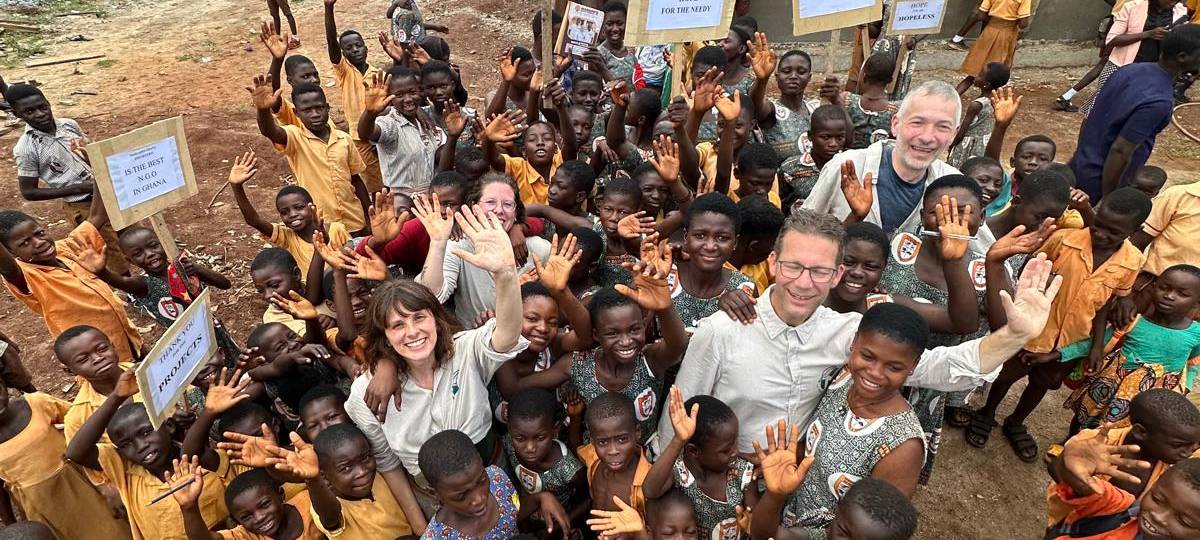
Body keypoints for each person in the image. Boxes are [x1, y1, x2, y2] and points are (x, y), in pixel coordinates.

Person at [661, 209, 1064, 458]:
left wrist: (1014, 335)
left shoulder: (848, 332)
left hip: (797, 482)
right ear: (772, 262)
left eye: (819, 271)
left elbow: (936, 368)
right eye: (793, 267)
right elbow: (678, 419)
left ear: (837, 274)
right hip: (722, 475)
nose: (804, 283)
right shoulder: (721, 330)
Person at [969, 188, 1152, 462]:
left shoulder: (1133, 261)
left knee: (1043, 382)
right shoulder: (1064, 240)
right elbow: (1028, 273)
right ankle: (987, 412)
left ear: (1134, 230)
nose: (1100, 233)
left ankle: (1016, 421)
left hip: (1070, 340)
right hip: (1033, 328)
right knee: (1007, 374)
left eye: (1112, 232)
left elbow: (1106, 304)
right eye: (1098, 223)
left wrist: (1096, 345)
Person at [749, 303, 928, 539]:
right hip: (784, 509)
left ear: (912, 366)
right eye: (867, 356)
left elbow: (876, 529)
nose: (874, 372)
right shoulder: (843, 378)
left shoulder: (902, 447)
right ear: (854, 343)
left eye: (894, 367)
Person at [65, 370, 233, 540]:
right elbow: (76, 453)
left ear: (169, 426)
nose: (140, 446)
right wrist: (116, 397)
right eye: (126, 444)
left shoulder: (201, 461)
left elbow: (192, 449)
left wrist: (208, 413)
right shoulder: (124, 470)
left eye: (146, 432)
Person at [0, 187, 142, 363]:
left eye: (39, 233)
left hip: (126, 336)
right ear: (11, 253)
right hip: (97, 357)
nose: (39, 242)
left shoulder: (66, 248)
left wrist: (99, 168)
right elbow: (6, 267)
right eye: (25, 243)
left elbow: (97, 216)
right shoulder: (25, 276)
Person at [801, 81, 961, 235]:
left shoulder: (956, 187)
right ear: (895, 124)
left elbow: (980, 253)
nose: (927, 137)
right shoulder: (847, 168)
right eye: (917, 123)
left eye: (942, 127)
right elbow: (801, 234)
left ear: (954, 134)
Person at [5, 83, 128, 275]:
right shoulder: (26, 148)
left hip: (109, 193)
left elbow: (89, 152)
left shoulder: (69, 125)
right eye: (29, 111)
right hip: (83, 205)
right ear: (17, 114)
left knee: (130, 234)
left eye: (42, 107)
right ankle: (130, 291)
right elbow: (28, 192)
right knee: (108, 249)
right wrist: (78, 188)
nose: (39, 114)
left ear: (48, 103)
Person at [1069, 24, 1200, 201]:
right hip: (1098, 183)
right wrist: (1109, 199)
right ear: (1182, 57)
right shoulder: (1159, 100)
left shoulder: (1129, 71)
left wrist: (1081, 156)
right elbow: (1121, 151)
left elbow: (1088, 120)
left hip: (1079, 165)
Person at [1063, 265, 1200, 430]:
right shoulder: (1133, 321)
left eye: (1182, 294)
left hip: (1155, 396)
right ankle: (1069, 444)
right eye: (1164, 288)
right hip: (1110, 386)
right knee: (1085, 419)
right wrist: (1058, 354)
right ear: (1154, 287)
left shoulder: (1196, 333)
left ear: (1197, 302)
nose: (1169, 296)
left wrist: (1186, 387)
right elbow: (1095, 344)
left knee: (1129, 431)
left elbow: (1193, 362)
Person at [0, 373, 131, 540]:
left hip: (81, 483)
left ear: (4, 384)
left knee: (114, 532)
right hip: (39, 505)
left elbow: (83, 425)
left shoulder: (37, 403)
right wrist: (11, 525)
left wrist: (107, 484)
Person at [1047, 389, 1200, 527]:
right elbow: (1055, 467)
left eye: (1194, 445)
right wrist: (1076, 480)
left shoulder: (1169, 465)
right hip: (1072, 522)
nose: (1188, 452)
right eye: (1179, 445)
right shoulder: (1095, 443)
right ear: (1141, 432)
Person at [416, 176, 551, 326]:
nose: (499, 210)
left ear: (516, 212)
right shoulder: (459, 247)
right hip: (474, 342)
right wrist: (438, 242)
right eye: (490, 202)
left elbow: (553, 307)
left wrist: (526, 293)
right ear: (474, 207)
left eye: (507, 204)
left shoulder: (539, 249)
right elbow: (432, 295)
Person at [249, 75, 371, 234]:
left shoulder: (344, 139)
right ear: (296, 113)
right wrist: (263, 110)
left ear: (327, 108)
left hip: (355, 220)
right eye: (307, 110)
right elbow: (269, 131)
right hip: (323, 225)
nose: (315, 114)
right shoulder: (294, 137)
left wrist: (370, 216)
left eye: (319, 108)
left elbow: (356, 180)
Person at [1045, 427, 1200, 540]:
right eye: (1157, 499)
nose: (1159, 517)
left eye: (1184, 520)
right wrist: (1070, 463)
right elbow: (1084, 488)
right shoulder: (1123, 509)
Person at [643, 387, 757, 540]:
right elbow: (650, 490)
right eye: (725, 450)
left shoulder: (743, 473)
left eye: (735, 443)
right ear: (693, 451)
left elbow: (758, 525)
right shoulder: (679, 472)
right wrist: (678, 440)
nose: (735, 452)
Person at [265, 423, 415, 539]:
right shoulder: (327, 506)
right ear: (324, 476)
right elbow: (330, 518)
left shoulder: (378, 476)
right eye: (346, 468)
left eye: (365, 458)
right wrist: (313, 480)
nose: (362, 472)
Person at [418, 429, 570, 538]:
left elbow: (511, 511)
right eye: (462, 496)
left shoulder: (496, 478)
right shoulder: (436, 537)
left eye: (481, 481)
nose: (479, 499)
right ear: (434, 494)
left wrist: (541, 498)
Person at [228, 150, 352, 282]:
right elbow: (254, 221)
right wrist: (236, 187)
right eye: (284, 212)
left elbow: (352, 258)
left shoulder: (336, 229)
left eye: (299, 208)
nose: (292, 214)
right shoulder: (288, 238)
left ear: (313, 208)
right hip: (310, 294)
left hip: (340, 287)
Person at [1079, 0, 1188, 118]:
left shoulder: (1179, 11)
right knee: (1098, 111)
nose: (1173, 3)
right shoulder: (1132, 7)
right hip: (1120, 68)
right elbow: (1112, 39)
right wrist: (1147, 34)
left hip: (1153, 74)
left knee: (1132, 114)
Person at [500, 389, 589, 523]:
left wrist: (558, 527)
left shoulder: (569, 469)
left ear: (555, 430)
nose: (530, 448)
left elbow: (587, 500)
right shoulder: (508, 443)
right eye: (520, 438)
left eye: (540, 438)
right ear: (509, 429)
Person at [324, 0, 384, 193]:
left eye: (359, 45)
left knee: (389, 175)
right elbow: (332, 42)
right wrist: (329, 8)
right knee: (375, 183)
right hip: (359, 137)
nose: (355, 49)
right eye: (349, 48)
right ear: (343, 53)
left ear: (366, 47)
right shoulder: (345, 72)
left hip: (380, 133)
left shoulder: (377, 73)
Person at [170, 466, 322, 540]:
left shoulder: (311, 502)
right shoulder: (247, 536)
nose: (259, 517)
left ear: (280, 494)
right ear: (237, 522)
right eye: (246, 516)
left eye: (264, 505)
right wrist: (189, 507)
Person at [359, 69, 442, 195]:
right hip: (402, 201)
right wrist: (370, 113)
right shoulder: (391, 124)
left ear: (420, 91)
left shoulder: (425, 120)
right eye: (399, 95)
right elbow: (366, 133)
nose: (408, 99)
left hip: (430, 198)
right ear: (389, 99)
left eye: (412, 92)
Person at [578, 392, 653, 515]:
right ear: (592, 441)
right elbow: (577, 450)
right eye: (602, 442)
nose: (613, 451)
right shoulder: (593, 456)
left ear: (637, 432)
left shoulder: (647, 480)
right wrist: (575, 418)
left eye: (622, 439)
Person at [954, 0, 1032, 95]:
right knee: (994, 77)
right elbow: (1023, 24)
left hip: (989, 32)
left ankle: (950, 101)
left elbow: (981, 14)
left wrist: (994, 21)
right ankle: (982, 106)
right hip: (1006, 35)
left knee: (971, 76)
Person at [780, 105, 850, 212]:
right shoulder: (790, 168)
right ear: (810, 136)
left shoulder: (849, 166)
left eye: (840, 138)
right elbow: (781, 205)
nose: (833, 144)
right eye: (825, 137)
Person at [823, 53, 897, 150]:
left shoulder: (845, 100)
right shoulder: (897, 112)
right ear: (890, 80)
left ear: (863, 75)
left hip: (845, 162)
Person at [948, 62, 1010, 168]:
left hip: (968, 146)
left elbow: (962, 132)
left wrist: (952, 145)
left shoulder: (977, 105)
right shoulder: (997, 101)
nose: (976, 76)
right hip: (985, 145)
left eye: (980, 75)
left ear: (986, 84)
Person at [823, 222, 889, 315]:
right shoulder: (806, 302)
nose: (857, 272)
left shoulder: (884, 311)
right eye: (847, 262)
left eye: (871, 267)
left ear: (883, 269)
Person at [729, 195, 784, 293]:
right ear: (753, 246)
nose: (773, 249)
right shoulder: (717, 275)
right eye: (772, 243)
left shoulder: (764, 263)